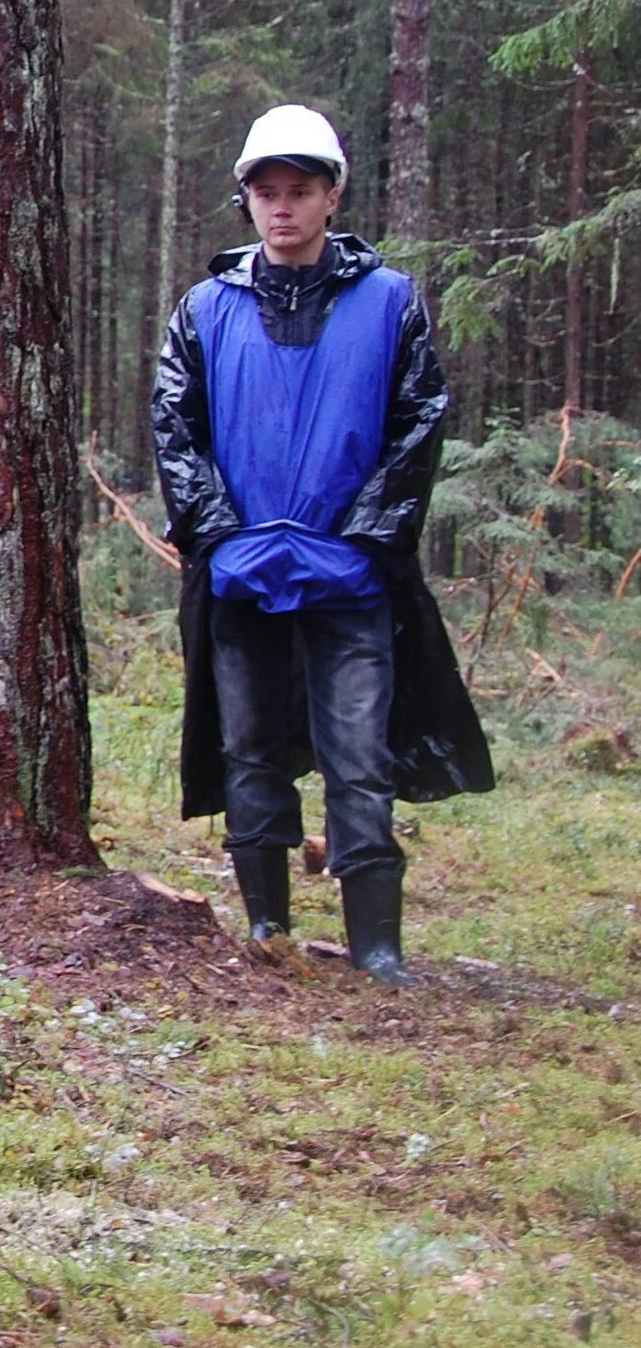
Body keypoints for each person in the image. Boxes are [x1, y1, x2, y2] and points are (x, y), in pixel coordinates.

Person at [152, 104, 492, 986]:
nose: (282, 208)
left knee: (359, 753)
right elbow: (176, 427)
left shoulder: (389, 303)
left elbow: (416, 424)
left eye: (299, 191)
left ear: (332, 196)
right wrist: (218, 536)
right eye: (266, 193)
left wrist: (372, 541)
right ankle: (267, 925)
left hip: (350, 575)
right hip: (242, 575)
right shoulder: (205, 311)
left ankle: (377, 947)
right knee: (250, 747)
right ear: (247, 202)